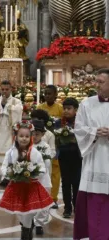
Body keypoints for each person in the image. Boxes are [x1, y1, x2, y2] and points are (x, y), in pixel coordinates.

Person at [0, 121, 53, 240]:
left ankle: (26, 234)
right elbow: (3, 167)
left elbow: (42, 167)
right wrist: (9, 174)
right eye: (21, 136)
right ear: (16, 137)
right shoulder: (11, 152)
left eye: (27, 136)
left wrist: (35, 174)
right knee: (20, 213)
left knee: (28, 213)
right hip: (16, 188)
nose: (24, 139)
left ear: (31, 137)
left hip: (31, 188)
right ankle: (26, 227)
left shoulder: (35, 152)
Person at [73, 68, 109, 239]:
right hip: (95, 159)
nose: (96, 85)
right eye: (96, 81)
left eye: (101, 82)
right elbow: (78, 129)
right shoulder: (87, 104)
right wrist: (94, 132)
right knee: (96, 204)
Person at [0, 80, 22, 186]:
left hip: (9, 132)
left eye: (7, 89)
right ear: (0, 89)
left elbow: (18, 111)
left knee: (9, 152)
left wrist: (5, 107)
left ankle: (7, 176)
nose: (4, 92)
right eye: (2, 89)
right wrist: (1, 106)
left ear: (11, 89)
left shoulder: (16, 101)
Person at [54, 97, 82, 219]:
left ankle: (76, 206)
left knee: (76, 182)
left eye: (69, 108)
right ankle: (67, 208)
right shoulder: (58, 123)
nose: (66, 111)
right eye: (64, 108)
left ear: (76, 110)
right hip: (64, 156)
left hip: (77, 156)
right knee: (65, 182)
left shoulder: (81, 123)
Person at [37, 85, 63, 209]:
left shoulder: (60, 109)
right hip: (40, 143)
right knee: (40, 170)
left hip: (55, 143)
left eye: (50, 94)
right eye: (46, 93)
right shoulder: (40, 108)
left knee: (55, 172)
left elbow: (63, 126)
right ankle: (40, 196)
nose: (47, 96)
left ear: (55, 95)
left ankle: (53, 198)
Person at [32, 119, 55, 235]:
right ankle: (29, 221)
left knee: (44, 202)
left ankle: (39, 224)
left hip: (43, 178)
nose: (34, 136)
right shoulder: (25, 144)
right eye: (33, 133)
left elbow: (47, 162)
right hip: (29, 178)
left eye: (37, 134)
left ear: (43, 134)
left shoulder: (45, 146)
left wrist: (37, 169)